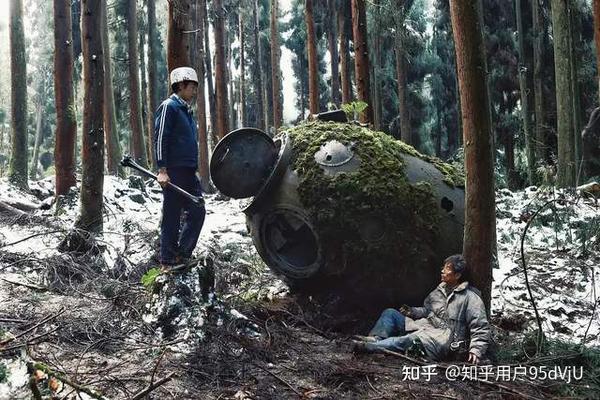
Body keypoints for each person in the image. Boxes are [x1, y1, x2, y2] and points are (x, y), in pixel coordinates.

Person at [354, 255, 490, 364]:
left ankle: (368, 347)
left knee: (407, 340)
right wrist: (412, 312)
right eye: (444, 267)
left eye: (447, 268)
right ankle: (376, 339)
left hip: (442, 339)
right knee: (390, 313)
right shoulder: (439, 291)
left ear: (457, 275)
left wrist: (476, 350)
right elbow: (427, 310)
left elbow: (480, 326)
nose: (442, 270)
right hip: (424, 326)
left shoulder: (470, 297)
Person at [153, 67, 205, 270]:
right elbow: (160, 138)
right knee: (172, 214)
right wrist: (162, 169)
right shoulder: (169, 106)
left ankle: (182, 254)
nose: (194, 91)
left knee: (198, 210)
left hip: (188, 171)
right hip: (173, 171)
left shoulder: (186, 111)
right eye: (191, 87)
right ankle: (167, 260)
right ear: (181, 85)